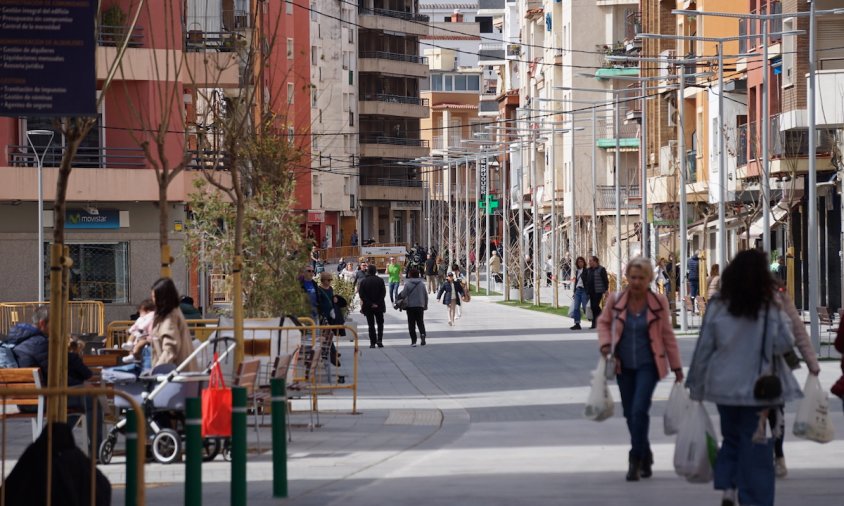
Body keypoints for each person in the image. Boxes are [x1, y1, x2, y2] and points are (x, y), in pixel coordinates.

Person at [685, 250, 802, 506]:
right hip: (757, 389)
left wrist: (695, 384)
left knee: (731, 438)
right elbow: (783, 341)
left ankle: (728, 487)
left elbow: (705, 347)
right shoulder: (768, 306)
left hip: (723, 387)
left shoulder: (717, 305)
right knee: (755, 444)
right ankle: (753, 498)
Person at [597, 257, 683, 482]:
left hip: (649, 365)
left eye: (641, 278)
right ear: (627, 277)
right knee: (629, 413)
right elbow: (604, 323)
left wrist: (677, 367)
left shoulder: (658, 302)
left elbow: (666, 335)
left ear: (649, 279)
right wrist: (606, 344)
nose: (636, 282)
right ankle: (645, 452)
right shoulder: (616, 300)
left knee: (639, 410)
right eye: (632, 277)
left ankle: (635, 458)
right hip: (622, 365)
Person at [9, 306, 103, 449]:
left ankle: (54, 441)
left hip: (26, 400)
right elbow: (59, 376)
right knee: (91, 398)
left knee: (78, 400)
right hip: (41, 400)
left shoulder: (21, 342)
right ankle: (95, 450)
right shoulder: (41, 344)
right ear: (42, 324)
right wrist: (81, 382)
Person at [768, 280, 821, 478]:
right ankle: (777, 456)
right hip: (774, 367)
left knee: (756, 414)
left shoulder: (732, 295)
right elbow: (796, 331)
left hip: (745, 371)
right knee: (775, 411)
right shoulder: (777, 294)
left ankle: (764, 456)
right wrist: (811, 363)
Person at [149, 278, 198, 371]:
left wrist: (156, 371)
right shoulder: (173, 312)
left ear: (161, 298)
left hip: (174, 376)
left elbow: (170, 349)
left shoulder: (170, 317)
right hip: (178, 374)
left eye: (154, 297)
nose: (153, 301)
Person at [396, 268, 428, 346]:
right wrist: (425, 305)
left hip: (410, 306)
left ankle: (413, 341)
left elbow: (403, 295)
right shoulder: (421, 284)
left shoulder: (408, 284)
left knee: (411, 324)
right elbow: (425, 296)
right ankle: (423, 335)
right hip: (420, 306)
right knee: (420, 322)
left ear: (410, 275)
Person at [358, 264, 386, 348]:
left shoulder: (363, 281)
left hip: (368, 306)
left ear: (368, 271)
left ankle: (372, 342)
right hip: (379, 306)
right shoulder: (380, 280)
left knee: (371, 325)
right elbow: (383, 293)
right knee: (380, 323)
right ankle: (380, 340)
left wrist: (370, 303)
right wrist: (377, 303)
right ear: (375, 271)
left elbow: (362, 295)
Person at [123, 299, 155, 366]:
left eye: (141, 312)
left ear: (147, 311)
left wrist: (136, 330)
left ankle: (133, 356)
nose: (140, 314)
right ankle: (129, 344)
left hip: (147, 336)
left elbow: (144, 326)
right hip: (141, 335)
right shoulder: (142, 318)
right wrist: (131, 330)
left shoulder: (151, 316)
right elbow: (135, 325)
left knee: (138, 346)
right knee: (133, 340)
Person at [585, 256, 609, 329]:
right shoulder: (588, 270)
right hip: (590, 291)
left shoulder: (601, 269)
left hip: (598, 291)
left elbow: (605, 281)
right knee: (592, 307)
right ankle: (594, 323)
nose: (589, 262)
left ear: (595, 261)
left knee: (595, 306)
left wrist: (606, 290)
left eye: (590, 261)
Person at [569, 257, 589, 330]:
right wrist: (574, 292)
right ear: (577, 263)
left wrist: (588, 292)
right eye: (578, 262)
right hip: (578, 290)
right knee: (576, 307)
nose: (580, 263)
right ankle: (577, 324)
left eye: (581, 261)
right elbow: (576, 282)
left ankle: (592, 319)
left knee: (584, 307)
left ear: (584, 262)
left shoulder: (587, 271)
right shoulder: (577, 271)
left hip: (584, 290)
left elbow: (588, 282)